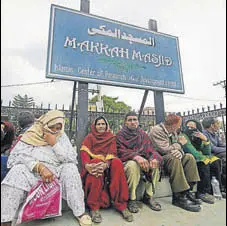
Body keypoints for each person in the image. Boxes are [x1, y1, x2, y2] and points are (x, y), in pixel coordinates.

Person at [1, 110, 92, 226]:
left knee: (71, 169)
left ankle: (80, 212)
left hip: (57, 171)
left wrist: (54, 144)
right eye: (52, 127)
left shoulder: (61, 136)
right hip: (33, 172)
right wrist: (39, 167)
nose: (55, 130)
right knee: (16, 172)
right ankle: (5, 219)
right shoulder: (32, 133)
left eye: (58, 127)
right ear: (45, 123)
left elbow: (70, 158)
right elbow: (17, 157)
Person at [80, 116, 133, 223]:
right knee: (95, 163)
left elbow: (113, 153)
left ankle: (121, 204)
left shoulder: (111, 137)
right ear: (94, 126)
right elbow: (84, 152)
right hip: (94, 167)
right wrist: (87, 165)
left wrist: (106, 164)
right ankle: (94, 207)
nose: (101, 126)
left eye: (103, 124)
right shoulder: (89, 138)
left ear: (106, 126)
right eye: (98, 124)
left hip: (108, 164)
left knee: (117, 163)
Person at [149, 114, 202, 212]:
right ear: (173, 124)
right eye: (179, 124)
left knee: (189, 157)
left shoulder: (173, 131)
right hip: (159, 158)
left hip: (171, 155)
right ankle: (179, 196)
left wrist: (180, 152)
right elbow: (164, 150)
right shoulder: (156, 130)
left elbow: (178, 148)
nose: (180, 126)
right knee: (174, 158)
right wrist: (179, 145)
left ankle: (187, 191)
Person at [116, 112, 162, 214]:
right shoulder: (120, 135)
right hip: (127, 162)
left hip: (143, 162)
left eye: (135, 120)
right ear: (125, 122)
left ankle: (148, 196)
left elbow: (151, 150)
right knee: (133, 165)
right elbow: (120, 151)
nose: (133, 122)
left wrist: (154, 158)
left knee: (155, 164)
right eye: (130, 120)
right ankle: (131, 199)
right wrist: (136, 156)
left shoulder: (143, 135)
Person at [179, 119, 223, 203]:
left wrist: (205, 140)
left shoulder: (198, 136)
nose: (189, 129)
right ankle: (201, 192)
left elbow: (207, 152)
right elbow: (190, 150)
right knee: (203, 163)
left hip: (199, 156)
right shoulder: (183, 136)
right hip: (189, 158)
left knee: (215, 161)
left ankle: (216, 189)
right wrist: (204, 158)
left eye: (192, 127)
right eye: (188, 127)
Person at [202, 117, 226, 193]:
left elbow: (221, 144)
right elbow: (212, 148)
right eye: (217, 124)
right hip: (210, 155)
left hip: (217, 154)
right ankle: (222, 188)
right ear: (212, 125)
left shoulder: (214, 134)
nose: (219, 126)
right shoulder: (204, 134)